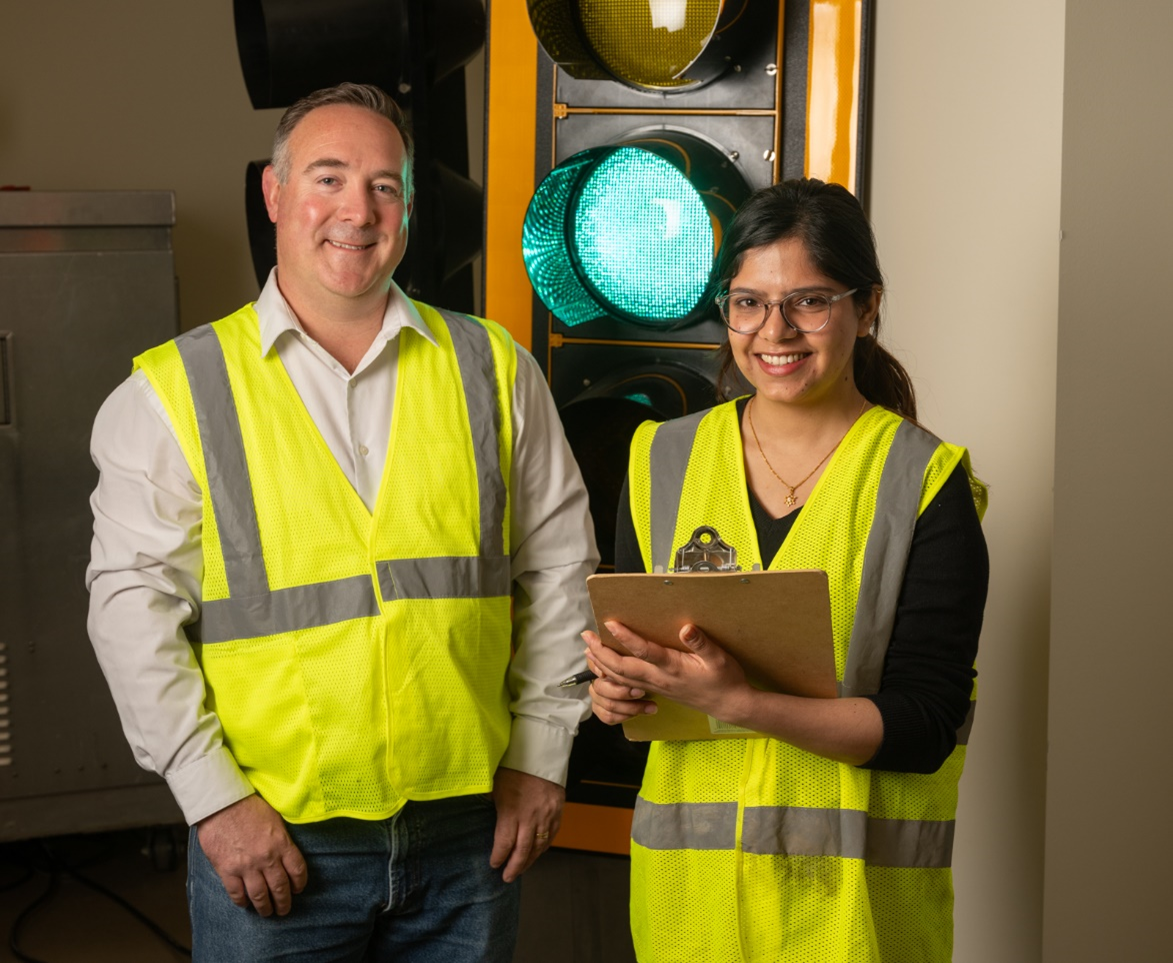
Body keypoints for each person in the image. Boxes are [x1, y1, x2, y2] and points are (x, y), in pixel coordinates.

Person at [86, 82, 598, 962]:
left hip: (468, 833)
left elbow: (561, 573)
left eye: (384, 185)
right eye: (327, 178)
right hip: (275, 840)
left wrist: (541, 754)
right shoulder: (172, 393)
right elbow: (129, 613)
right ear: (274, 194)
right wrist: (213, 800)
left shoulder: (493, 370)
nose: (356, 211)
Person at [585, 178, 989, 963]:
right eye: (747, 302)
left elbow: (922, 725)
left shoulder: (922, 483)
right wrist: (617, 689)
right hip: (688, 914)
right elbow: (648, 690)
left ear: (865, 307)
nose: (774, 330)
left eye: (808, 301)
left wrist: (740, 702)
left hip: (850, 923)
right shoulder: (659, 459)